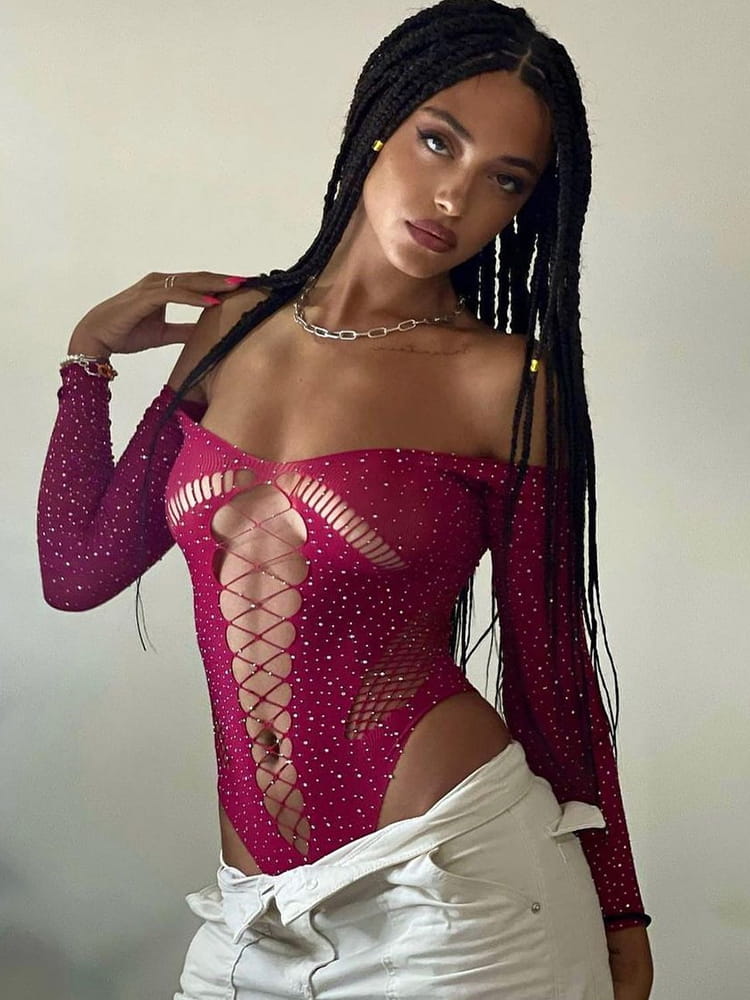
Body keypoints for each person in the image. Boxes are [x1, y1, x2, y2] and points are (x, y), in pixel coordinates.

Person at [36, 1, 654, 997]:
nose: (454, 196)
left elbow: (552, 670)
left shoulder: (508, 382)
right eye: (438, 140)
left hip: (453, 894)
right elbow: (77, 571)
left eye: (505, 180)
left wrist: (620, 910)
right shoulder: (233, 329)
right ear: (379, 121)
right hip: (254, 916)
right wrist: (86, 365)